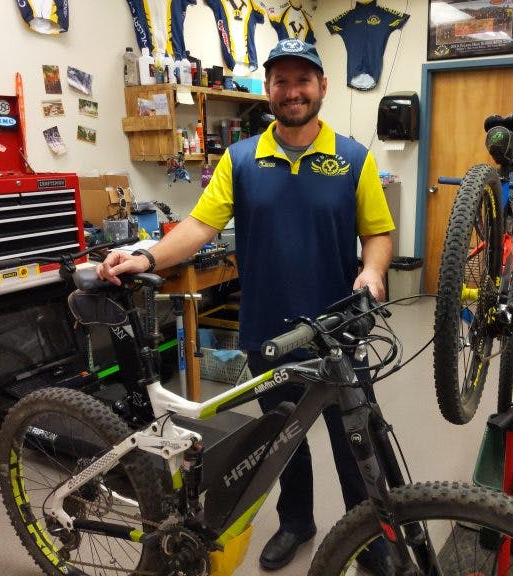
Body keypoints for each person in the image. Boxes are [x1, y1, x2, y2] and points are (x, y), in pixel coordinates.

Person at [97, 38, 395, 574]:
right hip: (267, 333)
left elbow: (378, 233)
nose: (293, 91)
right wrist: (145, 257)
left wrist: (372, 271)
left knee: (357, 440)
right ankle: (296, 521)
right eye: (281, 81)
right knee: (283, 439)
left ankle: (371, 534)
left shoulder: (355, 160)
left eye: (303, 80)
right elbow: (197, 227)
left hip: (339, 332)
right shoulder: (240, 160)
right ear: (270, 91)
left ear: (321, 87)